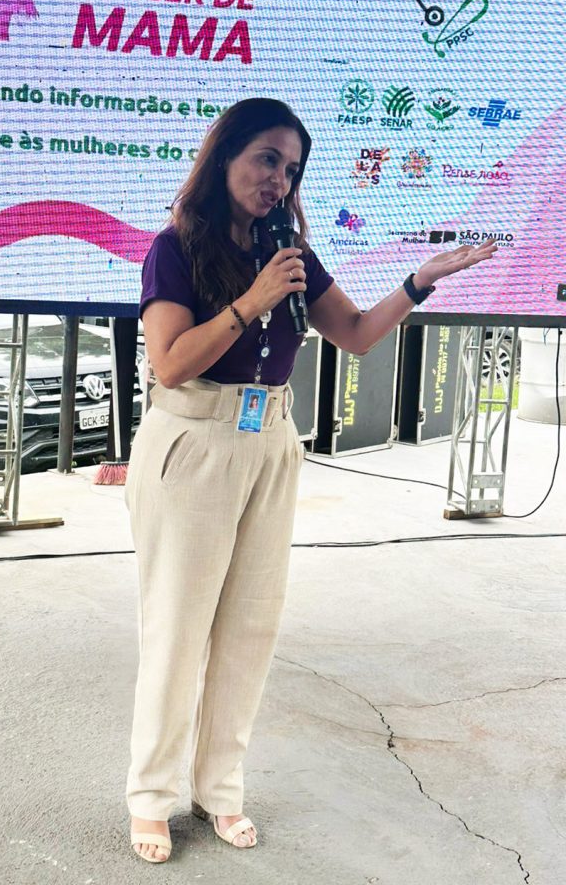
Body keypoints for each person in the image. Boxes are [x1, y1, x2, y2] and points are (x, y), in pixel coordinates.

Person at [124, 98, 496, 863]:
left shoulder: (289, 251)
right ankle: (152, 797)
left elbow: (354, 334)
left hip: (271, 442)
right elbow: (170, 362)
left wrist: (419, 282)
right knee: (178, 629)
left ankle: (219, 788)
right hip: (194, 442)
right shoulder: (175, 248)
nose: (278, 180)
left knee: (250, 627)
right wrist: (253, 301)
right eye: (266, 159)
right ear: (224, 157)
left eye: (291, 170)